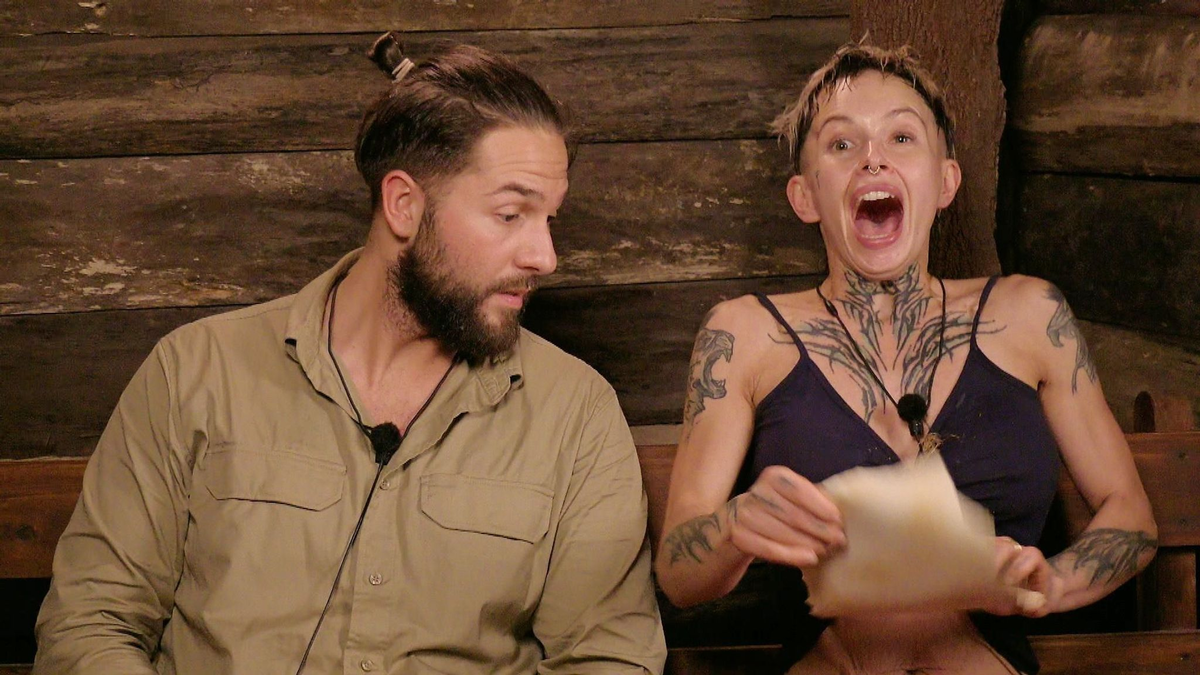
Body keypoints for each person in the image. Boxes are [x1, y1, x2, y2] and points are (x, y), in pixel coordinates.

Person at [33, 33, 666, 675]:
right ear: (404, 205)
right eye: (511, 215)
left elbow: (608, 658)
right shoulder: (194, 371)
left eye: (549, 220)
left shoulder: (577, 413)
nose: (544, 257)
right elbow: (89, 624)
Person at [654, 42, 1157, 675]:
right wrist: (734, 526)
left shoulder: (1031, 315)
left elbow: (1131, 515)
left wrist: (1051, 584)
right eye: (842, 144)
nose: (873, 158)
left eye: (901, 137)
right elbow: (679, 575)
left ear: (944, 182)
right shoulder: (743, 334)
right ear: (805, 196)